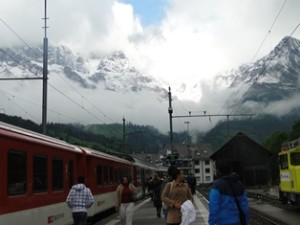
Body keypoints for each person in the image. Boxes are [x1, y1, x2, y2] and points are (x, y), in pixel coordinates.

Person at [208, 160, 250, 225]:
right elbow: (245, 208)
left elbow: (214, 208)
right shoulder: (239, 185)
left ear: (218, 170)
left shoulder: (217, 185)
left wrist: (211, 223)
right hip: (237, 222)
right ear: (231, 169)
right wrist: (246, 222)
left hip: (222, 222)